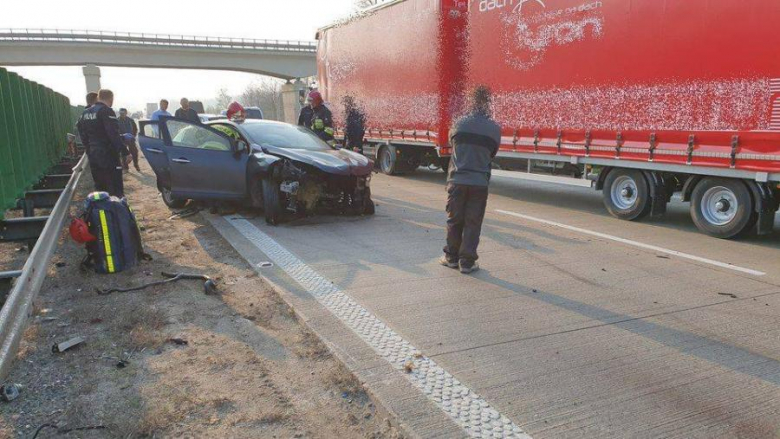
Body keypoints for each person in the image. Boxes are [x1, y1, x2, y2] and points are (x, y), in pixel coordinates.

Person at [440, 86, 501, 274]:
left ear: (470, 101)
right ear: (488, 103)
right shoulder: (494, 128)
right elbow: (492, 154)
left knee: (454, 220)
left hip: (457, 180)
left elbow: (453, 146)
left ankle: (450, 257)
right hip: (479, 183)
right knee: (473, 223)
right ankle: (467, 263)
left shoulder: (459, 123)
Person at [77, 89, 130, 198]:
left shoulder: (85, 113)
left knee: (100, 189)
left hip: (94, 155)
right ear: (111, 99)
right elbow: (113, 134)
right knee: (114, 189)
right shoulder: (106, 111)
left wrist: (89, 150)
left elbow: (82, 134)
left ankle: (103, 212)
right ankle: (115, 212)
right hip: (108, 156)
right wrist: (125, 152)